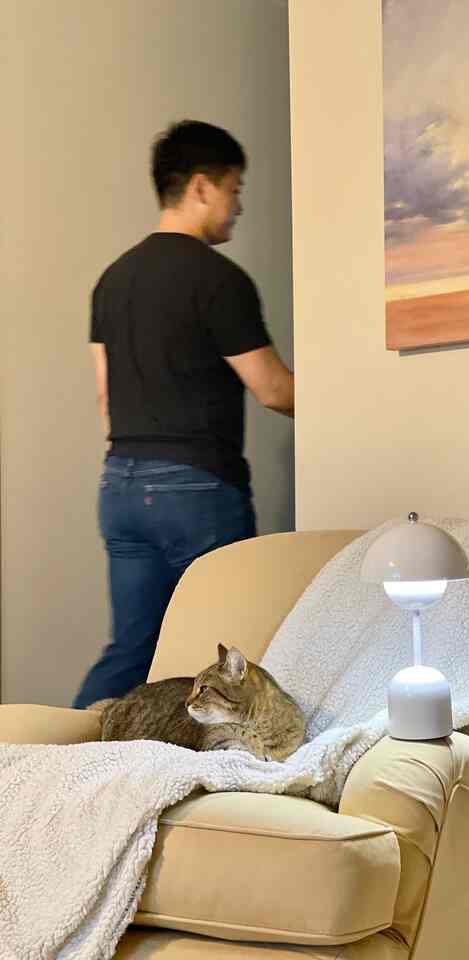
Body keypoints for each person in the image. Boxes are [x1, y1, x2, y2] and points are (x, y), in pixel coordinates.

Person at [73, 120, 294, 709]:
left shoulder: (112, 281)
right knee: (224, 662)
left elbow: (105, 399)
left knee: (131, 653)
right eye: (234, 188)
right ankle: (217, 786)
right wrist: (350, 402)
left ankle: (48, 769)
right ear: (201, 187)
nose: (238, 204)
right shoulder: (218, 281)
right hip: (195, 491)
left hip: (120, 485)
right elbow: (274, 390)